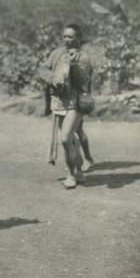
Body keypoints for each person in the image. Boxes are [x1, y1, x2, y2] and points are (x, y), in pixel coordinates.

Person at [39, 24, 94, 188]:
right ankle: (79, 172)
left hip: (75, 103)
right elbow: (42, 69)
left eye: (71, 37)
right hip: (59, 101)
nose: (67, 40)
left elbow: (84, 83)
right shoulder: (56, 53)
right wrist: (52, 78)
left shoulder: (84, 57)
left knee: (65, 138)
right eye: (65, 36)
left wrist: (74, 66)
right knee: (71, 140)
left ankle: (71, 175)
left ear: (78, 38)